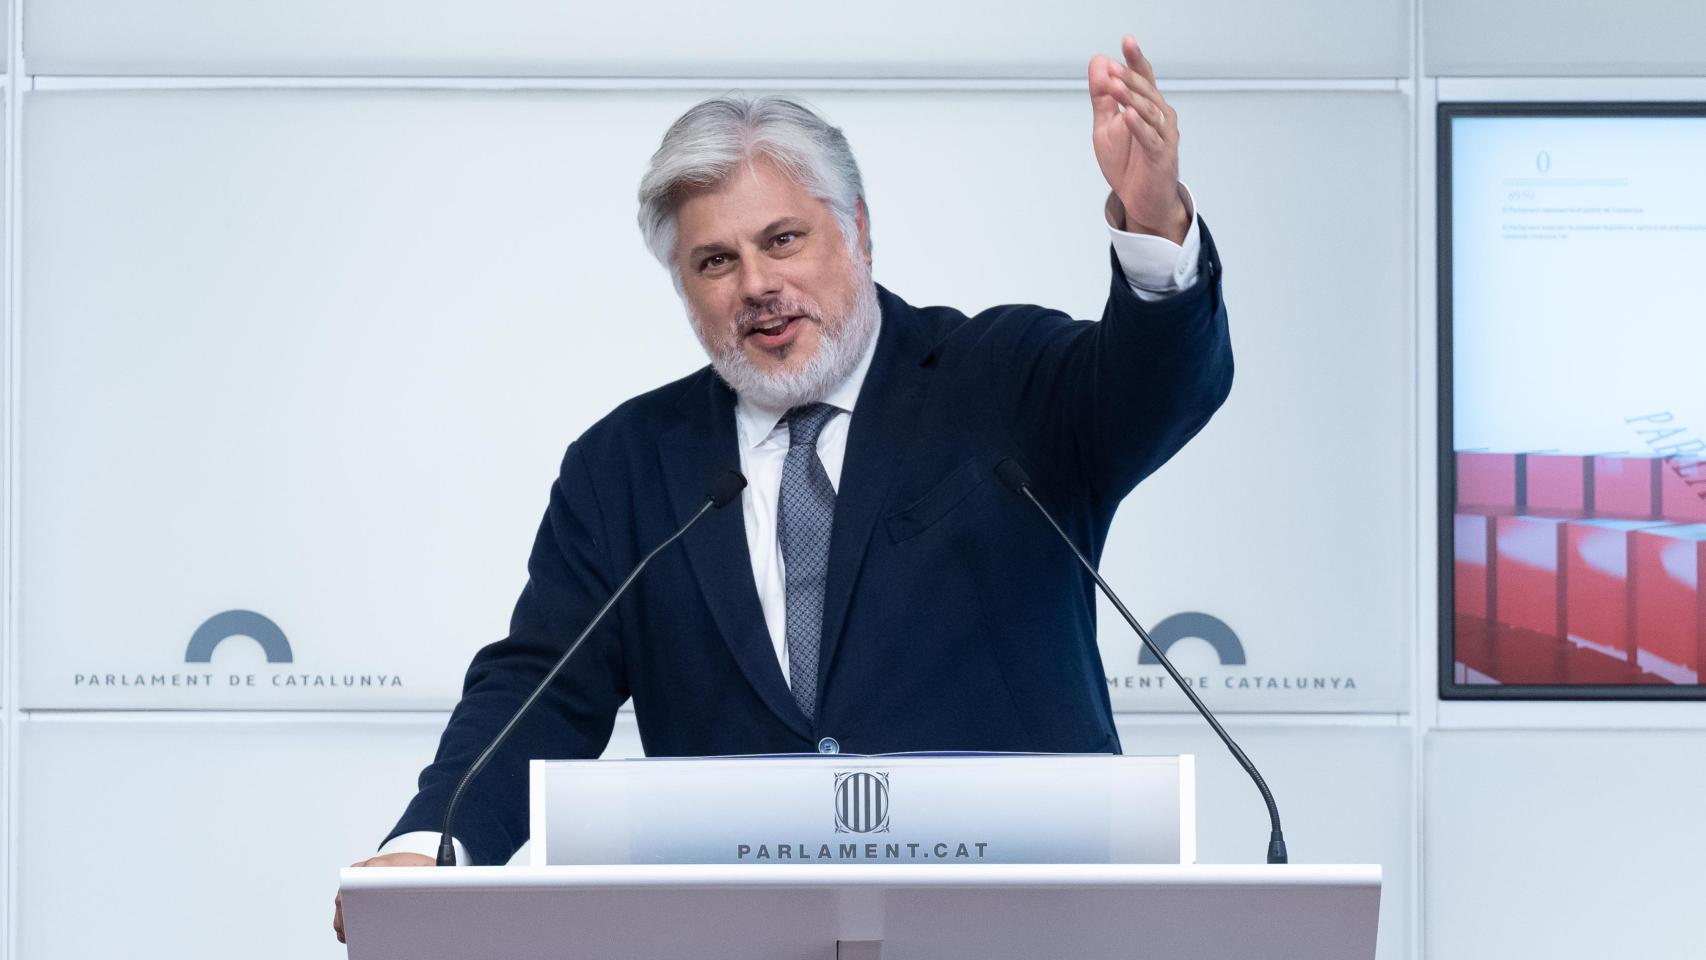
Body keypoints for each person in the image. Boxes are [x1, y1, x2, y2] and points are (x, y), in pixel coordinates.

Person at [334, 34, 1231, 942]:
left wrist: (1153, 225)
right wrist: (430, 844)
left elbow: (1159, 386)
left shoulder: (999, 382)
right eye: (715, 262)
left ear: (859, 230)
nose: (757, 285)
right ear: (683, 286)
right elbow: (538, 691)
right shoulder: (627, 466)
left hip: (1027, 931)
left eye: (784, 239)